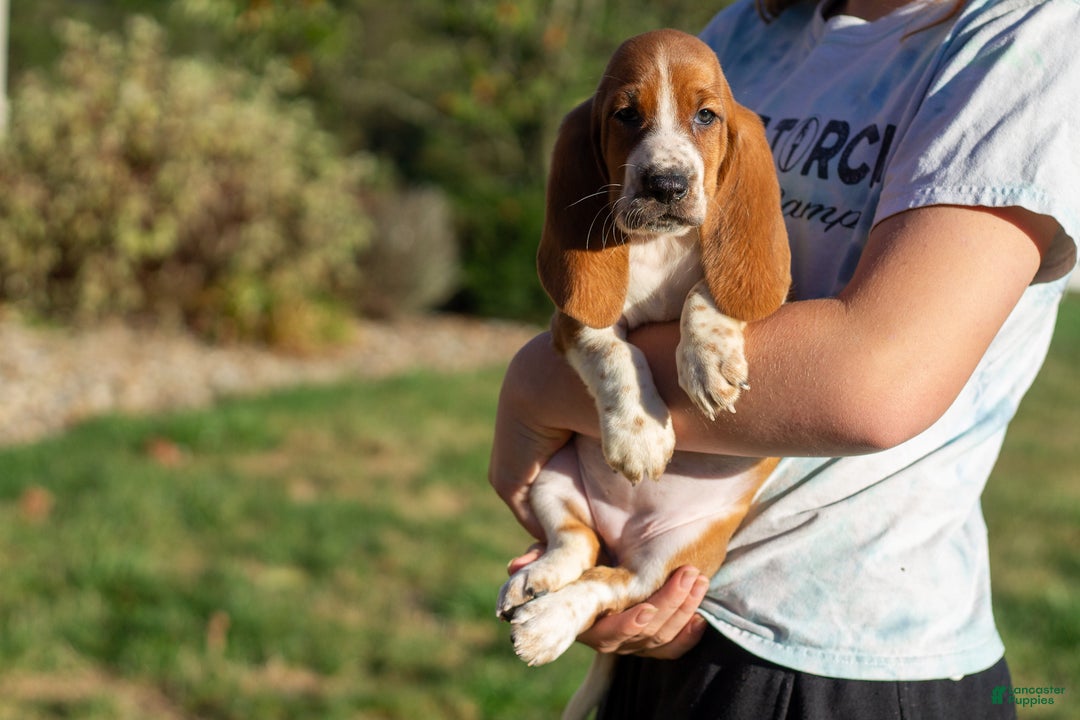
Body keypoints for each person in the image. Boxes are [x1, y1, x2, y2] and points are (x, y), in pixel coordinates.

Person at [490, 0, 1079, 717]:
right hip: (668, 622)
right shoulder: (749, 27)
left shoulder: (1034, 38)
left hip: (856, 653)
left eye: (704, 119)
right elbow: (619, 277)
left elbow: (874, 385)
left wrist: (533, 390)